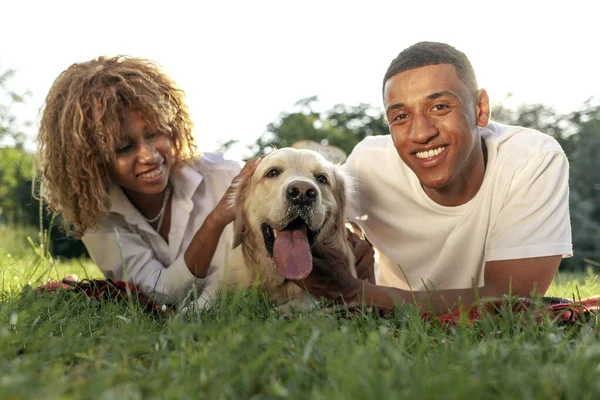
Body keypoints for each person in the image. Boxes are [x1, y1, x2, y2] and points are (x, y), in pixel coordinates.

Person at [294, 42, 573, 314]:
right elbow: (322, 220)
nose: (420, 133)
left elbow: (511, 300)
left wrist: (357, 293)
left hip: (387, 306)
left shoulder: (532, 158)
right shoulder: (369, 160)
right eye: (401, 116)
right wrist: (351, 239)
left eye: (439, 107)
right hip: (389, 328)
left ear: (480, 109)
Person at [36, 56, 261, 305]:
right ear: (92, 160)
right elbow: (162, 293)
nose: (150, 156)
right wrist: (215, 222)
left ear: (172, 126)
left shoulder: (227, 177)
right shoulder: (95, 215)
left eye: (154, 133)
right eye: (124, 147)